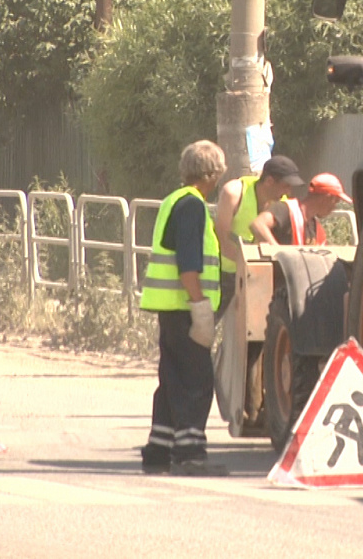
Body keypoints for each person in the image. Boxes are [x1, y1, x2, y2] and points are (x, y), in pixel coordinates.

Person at [139, 140, 227, 477]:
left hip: (170, 308)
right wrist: (200, 307)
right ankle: (190, 452)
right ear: (212, 173)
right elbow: (188, 264)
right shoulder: (192, 205)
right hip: (185, 307)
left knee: (172, 378)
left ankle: (159, 449)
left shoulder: (172, 201)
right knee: (196, 380)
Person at [214, 155, 306, 316]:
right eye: (285, 186)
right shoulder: (234, 192)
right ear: (269, 181)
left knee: (256, 327)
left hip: (256, 274)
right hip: (222, 272)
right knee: (208, 322)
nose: (289, 192)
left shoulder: (282, 203)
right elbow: (221, 237)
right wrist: (244, 263)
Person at [251, 172, 353, 246]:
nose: (334, 207)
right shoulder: (285, 209)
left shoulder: (317, 230)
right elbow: (258, 225)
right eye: (335, 201)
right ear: (326, 197)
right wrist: (278, 254)